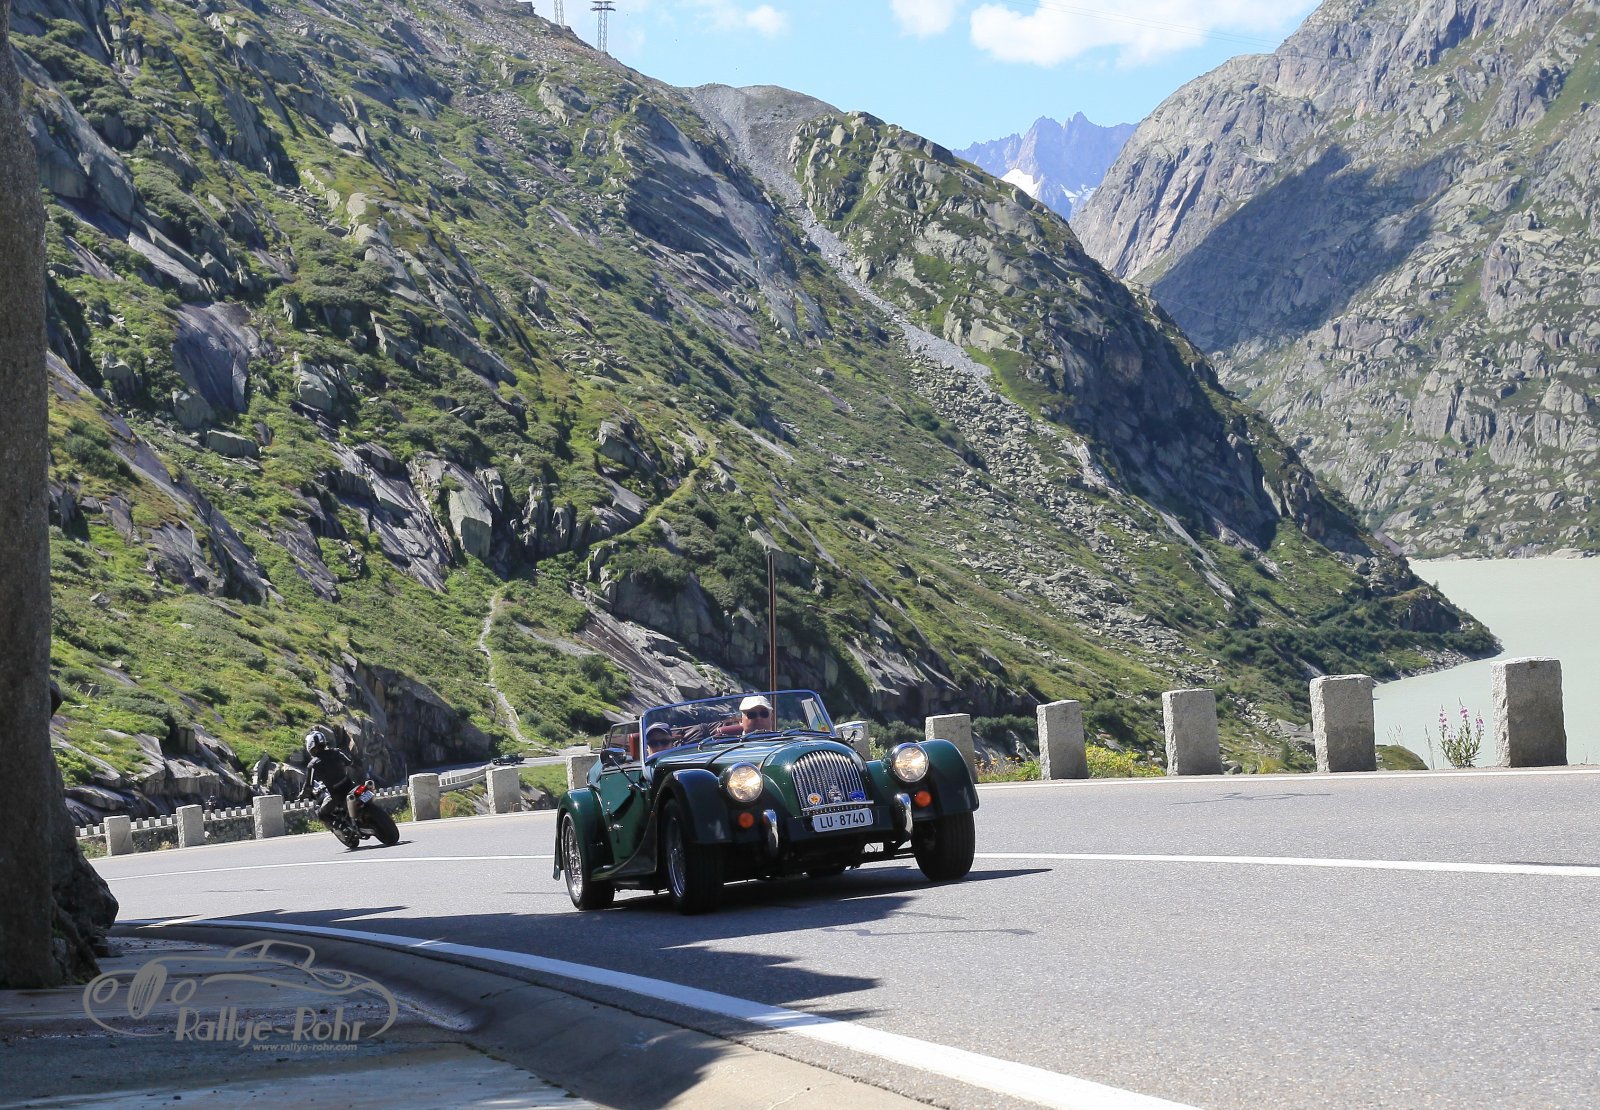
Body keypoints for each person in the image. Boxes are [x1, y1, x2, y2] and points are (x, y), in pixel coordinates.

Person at [296, 728, 361, 828]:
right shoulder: (337, 752)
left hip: (336, 795)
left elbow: (308, 786)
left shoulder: (313, 764)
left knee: (321, 814)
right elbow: (350, 762)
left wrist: (301, 796)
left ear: (311, 747)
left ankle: (345, 829)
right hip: (350, 787)